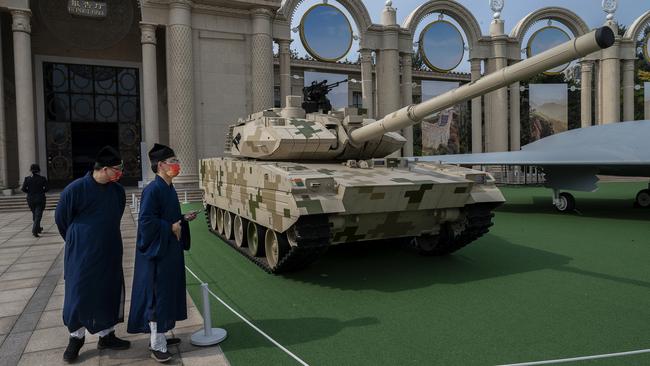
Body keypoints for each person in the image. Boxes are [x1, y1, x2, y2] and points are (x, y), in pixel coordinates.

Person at [55, 146, 131, 363]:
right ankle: (75, 339)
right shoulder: (75, 189)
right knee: (78, 294)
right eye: (117, 169)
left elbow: (116, 214)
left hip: (109, 251)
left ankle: (107, 335)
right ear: (104, 169)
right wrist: (78, 240)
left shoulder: (117, 191)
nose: (120, 173)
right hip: (82, 254)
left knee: (108, 291)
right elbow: (62, 220)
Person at [127, 143, 197, 363]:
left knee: (168, 294)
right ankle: (157, 344)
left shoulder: (168, 187)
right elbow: (146, 222)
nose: (177, 165)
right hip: (158, 254)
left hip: (169, 251)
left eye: (177, 161)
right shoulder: (153, 189)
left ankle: (162, 335)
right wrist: (169, 227)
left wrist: (183, 220)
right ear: (161, 165)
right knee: (158, 296)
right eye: (173, 161)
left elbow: (167, 216)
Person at [21, 163, 48, 237]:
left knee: (35, 214)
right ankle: (35, 230)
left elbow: (23, 189)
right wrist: (41, 192)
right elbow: (47, 189)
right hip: (40, 199)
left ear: (31, 171)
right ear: (38, 170)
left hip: (30, 199)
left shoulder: (27, 179)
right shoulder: (42, 179)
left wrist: (29, 192)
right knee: (38, 215)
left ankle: (38, 228)